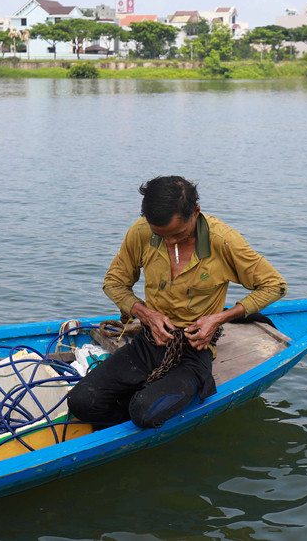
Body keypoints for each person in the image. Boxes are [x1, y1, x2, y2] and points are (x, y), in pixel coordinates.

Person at [67, 175, 287, 429]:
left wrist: (218, 319)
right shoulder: (139, 232)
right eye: (160, 235)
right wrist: (145, 314)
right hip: (149, 341)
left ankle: (164, 394)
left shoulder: (223, 241)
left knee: (143, 413)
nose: (170, 242)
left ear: (195, 212)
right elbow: (114, 283)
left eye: (179, 234)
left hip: (195, 348)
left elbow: (274, 285)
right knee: (81, 402)